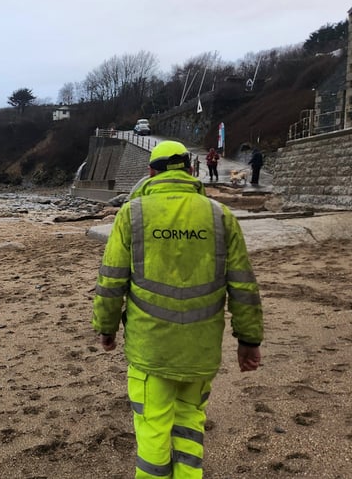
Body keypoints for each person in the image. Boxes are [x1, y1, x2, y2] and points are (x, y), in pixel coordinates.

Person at [92, 140, 263, 479]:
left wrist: (107, 328)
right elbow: (243, 285)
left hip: (150, 349)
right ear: (189, 169)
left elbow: (112, 280)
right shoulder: (219, 215)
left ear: (151, 171)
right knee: (189, 422)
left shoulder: (133, 213)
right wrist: (249, 341)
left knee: (153, 425)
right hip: (200, 350)